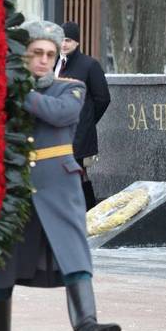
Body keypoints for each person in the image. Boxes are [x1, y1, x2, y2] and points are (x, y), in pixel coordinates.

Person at [0, 21, 121, 331]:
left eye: (50, 54)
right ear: (26, 55)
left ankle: (86, 326)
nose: (45, 60)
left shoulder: (71, 88)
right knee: (2, 270)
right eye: (37, 53)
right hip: (15, 187)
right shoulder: (3, 91)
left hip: (60, 186)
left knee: (74, 254)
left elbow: (60, 114)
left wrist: (16, 91)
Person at [57, 22, 111, 209]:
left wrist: (86, 121)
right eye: (61, 39)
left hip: (79, 133)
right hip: (57, 132)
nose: (64, 44)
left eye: (68, 40)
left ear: (77, 42)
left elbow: (103, 98)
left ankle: (88, 212)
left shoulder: (89, 65)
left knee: (78, 173)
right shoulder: (55, 63)